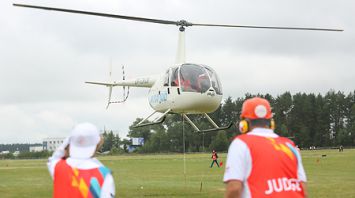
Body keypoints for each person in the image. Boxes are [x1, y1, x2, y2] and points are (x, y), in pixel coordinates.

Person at [224, 97, 307, 198]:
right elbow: (302, 187)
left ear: (244, 123)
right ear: (271, 122)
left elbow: (234, 188)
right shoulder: (290, 145)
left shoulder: (241, 143)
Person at [47, 122, 115, 198]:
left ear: (71, 142)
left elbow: (54, 158)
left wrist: (71, 138)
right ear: (97, 143)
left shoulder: (58, 167)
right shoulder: (104, 175)